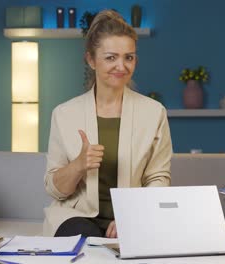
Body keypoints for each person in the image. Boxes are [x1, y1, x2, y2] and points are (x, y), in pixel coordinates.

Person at [43, 10, 172, 238]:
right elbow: (56, 190)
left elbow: (158, 178)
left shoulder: (154, 112)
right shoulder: (64, 114)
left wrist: (131, 214)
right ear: (91, 60)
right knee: (87, 246)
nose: (121, 66)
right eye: (111, 57)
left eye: (128, 57)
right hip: (76, 217)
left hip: (135, 214)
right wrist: (79, 165)